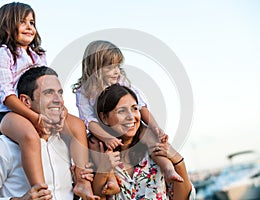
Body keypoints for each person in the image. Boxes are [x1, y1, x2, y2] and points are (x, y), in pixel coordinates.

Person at [0, 2, 92, 197]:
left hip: (34, 109)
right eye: (23, 22)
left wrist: (62, 112)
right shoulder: (3, 54)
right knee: (29, 135)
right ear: (7, 25)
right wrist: (36, 119)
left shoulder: (38, 55)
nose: (29, 27)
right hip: (4, 113)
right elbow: (7, 96)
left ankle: (82, 180)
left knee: (76, 125)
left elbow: (48, 86)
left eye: (32, 22)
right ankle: (41, 189)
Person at [0, 66, 100, 200]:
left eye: (60, 93)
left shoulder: (70, 143)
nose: (58, 100)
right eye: (48, 93)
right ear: (26, 101)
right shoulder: (4, 146)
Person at [72, 40, 183, 193]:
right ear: (96, 68)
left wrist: (155, 127)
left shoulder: (121, 81)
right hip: (102, 131)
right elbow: (89, 121)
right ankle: (110, 179)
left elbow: (141, 106)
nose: (117, 71)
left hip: (125, 126)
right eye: (111, 67)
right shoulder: (84, 91)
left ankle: (168, 168)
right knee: (93, 144)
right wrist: (106, 138)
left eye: (118, 66)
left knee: (150, 136)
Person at [92, 84, 196, 200]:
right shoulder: (95, 151)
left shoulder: (154, 150)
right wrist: (103, 169)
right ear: (104, 118)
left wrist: (178, 161)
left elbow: (182, 198)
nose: (131, 117)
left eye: (134, 108)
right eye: (121, 111)